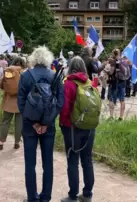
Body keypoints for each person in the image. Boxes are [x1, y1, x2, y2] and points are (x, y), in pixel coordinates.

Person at [17, 46, 64, 202]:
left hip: (29, 126)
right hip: (48, 126)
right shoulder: (54, 76)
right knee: (48, 163)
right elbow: (60, 102)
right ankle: (46, 197)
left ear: (33, 59)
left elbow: (21, 103)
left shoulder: (25, 76)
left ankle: (32, 197)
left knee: (30, 163)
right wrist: (46, 122)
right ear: (48, 59)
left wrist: (33, 122)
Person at [60, 56, 98, 202]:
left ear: (70, 67)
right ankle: (87, 194)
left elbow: (64, 109)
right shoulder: (90, 83)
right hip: (89, 127)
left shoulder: (69, 83)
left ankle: (73, 195)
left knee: (72, 160)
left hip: (72, 127)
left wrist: (63, 123)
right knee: (87, 160)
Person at [0, 56, 25, 150]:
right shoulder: (24, 72)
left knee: (5, 121)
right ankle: (17, 142)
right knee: (19, 123)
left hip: (8, 100)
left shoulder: (8, 71)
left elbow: (0, 84)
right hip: (21, 101)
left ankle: (1, 142)